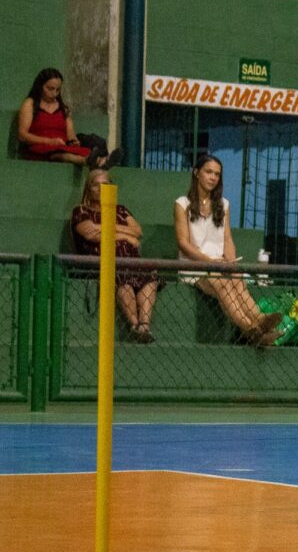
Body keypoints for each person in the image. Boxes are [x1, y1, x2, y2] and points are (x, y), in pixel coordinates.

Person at [173, 154, 282, 346]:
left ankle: (257, 326)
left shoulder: (224, 204)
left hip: (219, 263)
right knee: (221, 281)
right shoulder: (182, 204)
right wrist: (210, 261)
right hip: (195, 266)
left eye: (217, 174)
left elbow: (227, 239)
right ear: (197, 173)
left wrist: (231, 263)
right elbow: (183, 244)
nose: (213, 177)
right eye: (208, 172)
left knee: (237, 279)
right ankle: (251, 327)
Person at [71, 169, 158, 343]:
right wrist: (125, 235)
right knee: (122, 277)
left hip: (132, 259)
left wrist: (104, 226)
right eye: (96, 184)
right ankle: (135, 325)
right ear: (89, 188)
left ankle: (144, 326)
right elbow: (91, 235)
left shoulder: (121, 210)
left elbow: (137, 231)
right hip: (103, 260)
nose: (101, 188)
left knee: (151, 277)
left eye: (105, 184)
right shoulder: (81, 211)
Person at [17, 68, 114, 167]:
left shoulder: (63, 108)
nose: (54, 93)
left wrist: (73, 141)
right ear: (40, 86)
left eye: (58, 89)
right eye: (50, 89)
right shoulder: (30, 104)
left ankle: (102, 161)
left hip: (62, 146)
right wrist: (49, 141)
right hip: (40, 149)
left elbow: (70, 134)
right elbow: (22, 135)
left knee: (83, 150)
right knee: (61, 155)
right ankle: (89, 161)